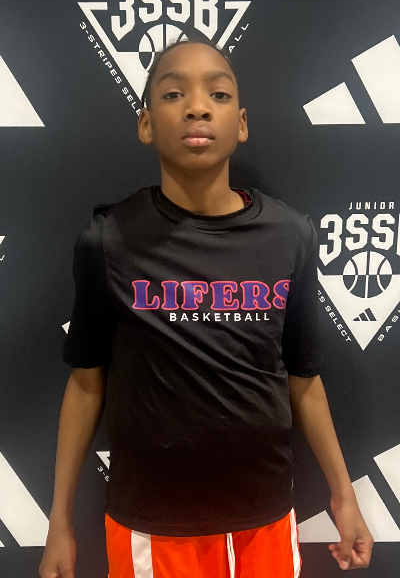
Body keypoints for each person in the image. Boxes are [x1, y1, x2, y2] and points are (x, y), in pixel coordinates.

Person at [39, 37, 374, 578]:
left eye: (218, 94)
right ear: (146, 124)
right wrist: (59, 521)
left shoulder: (290, 236)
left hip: (264, 517)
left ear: (240, 123)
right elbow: (85, 384)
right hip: (152, 525)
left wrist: (344, 497)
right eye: (174, 94)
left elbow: (304, 379)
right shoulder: (109, 240)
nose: (197, 106)